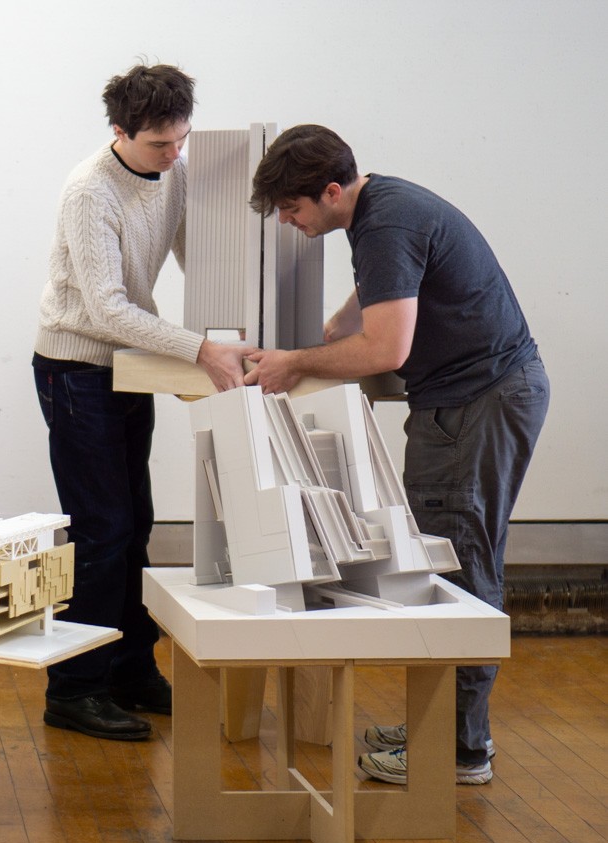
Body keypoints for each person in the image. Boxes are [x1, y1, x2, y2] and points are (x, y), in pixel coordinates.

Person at [244, 124, 550, 784]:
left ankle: (457, 751)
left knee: (457, 566)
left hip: (478, 399)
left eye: (292, 209)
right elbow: (371, 305)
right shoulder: (381, 209)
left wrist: (296, 362)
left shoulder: (384, 223)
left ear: (330, 192)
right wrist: (323, 337)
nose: (288, 222)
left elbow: (386, 349)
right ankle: (448, 731)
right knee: (455, 557)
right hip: (478, 395)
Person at [32, 63, 250, 741]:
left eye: (180, 139)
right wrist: (200, 350)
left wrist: (233, 324)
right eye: (159, 144)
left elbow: (196, 259)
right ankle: (74, 689)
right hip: (75, 368)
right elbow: (106, 310)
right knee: (101, 529)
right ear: (119, 131)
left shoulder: (173, 171)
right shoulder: (89, 192)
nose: (174, 154)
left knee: (135, 524)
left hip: (128, 366)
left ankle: (130, 671)